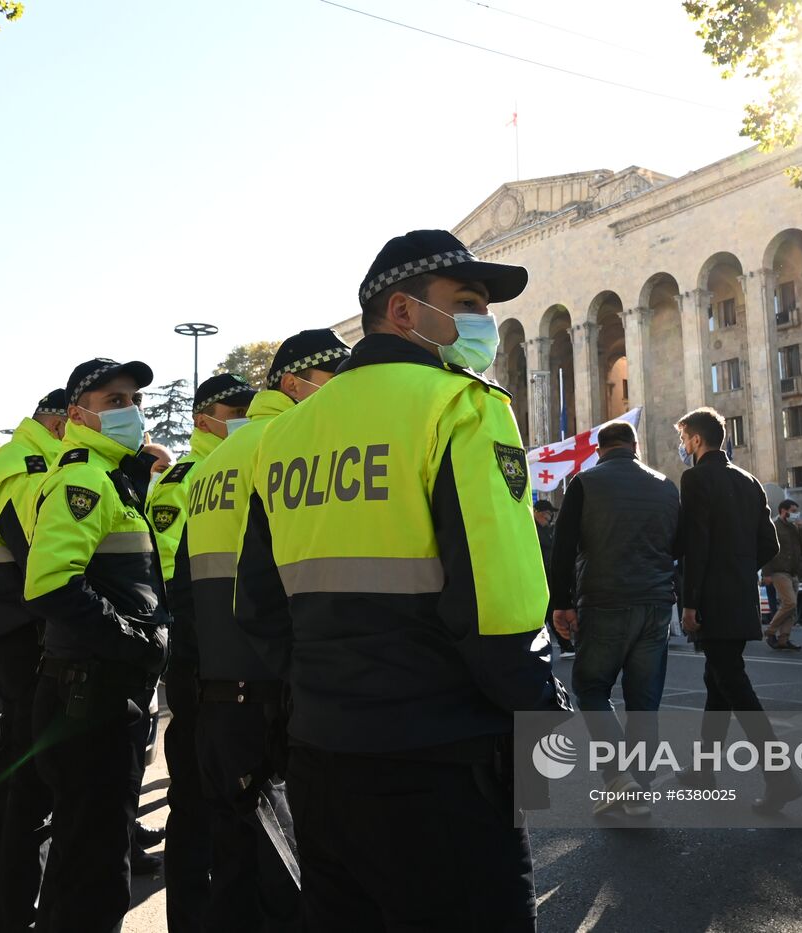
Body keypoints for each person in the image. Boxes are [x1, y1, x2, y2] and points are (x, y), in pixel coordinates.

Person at [238, 229, 568, 930]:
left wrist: (322, 697)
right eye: (469, 301)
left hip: (323, 764)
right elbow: (500, 608)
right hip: (441, 771)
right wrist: (546, 718)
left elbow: (259, 610)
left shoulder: (284, 437)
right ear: (403, 312)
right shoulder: (463, 406)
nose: (485, 320)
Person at [175, 328, 348, 931]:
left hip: (219, 702)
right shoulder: (293, 446)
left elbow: (184, 594)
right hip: (277, 705)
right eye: (335, 377)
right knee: (289, 890)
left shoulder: (209, 467)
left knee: (233, 876)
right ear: (294, 384)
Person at [24, 358, 168, 932]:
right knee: (97, 865)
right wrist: (134, 641)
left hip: (98, 690)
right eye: (115, 400)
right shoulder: (84, 478)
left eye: (134, 400)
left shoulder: (112, 478)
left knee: (81, 855)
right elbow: (51, 583)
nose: (131, 411)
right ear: (79, 412)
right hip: (93, 694)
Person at [145, 372, 256, 930]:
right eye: (234, 408)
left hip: (224, 661)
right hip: (198, 659)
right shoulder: (186, 478)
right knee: (196, 804)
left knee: (225, 811)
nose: (243, 415)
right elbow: (171, 577)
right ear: (203, 417)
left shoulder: (248, 460)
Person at [0, 389, 67, 932]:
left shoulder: (16, 459)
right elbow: (38, 557)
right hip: (22, 635)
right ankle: (6, 910)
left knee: (16, 775)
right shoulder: (26, 465)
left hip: (10, 631)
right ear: (56, 420)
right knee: (25, 781)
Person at [675, 407, 802, 812]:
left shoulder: (696, 478)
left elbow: (695, 544)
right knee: (719, 681)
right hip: (740, 596)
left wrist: (691, 601)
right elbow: (770, 545)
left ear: (696, 440)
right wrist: (739, 568)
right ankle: (703, 767)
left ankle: (780, 776)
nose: (683, 447)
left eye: (684, 439)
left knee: (734, 685)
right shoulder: (749, 481)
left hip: (711, 601)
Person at [550, 419, 679, 809]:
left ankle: (620, 778)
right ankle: (638, 790)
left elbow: (563, 546)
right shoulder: (665, 485)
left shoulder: (586, 482)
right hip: (656, 603)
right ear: (636, 446)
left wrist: (561, 602)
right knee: (645, 701)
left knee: (591, 688)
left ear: (599, 450)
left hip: (604, 599)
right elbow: (677, 545)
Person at [760, 498, 802, 651]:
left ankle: (783, 639)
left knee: (791, 609)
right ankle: (770, 631)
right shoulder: (774, 526)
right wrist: (766, 574)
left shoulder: (795, 528)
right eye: (793, 511)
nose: (796, 515)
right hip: (778, 571)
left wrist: (801, 529)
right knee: (790, 602)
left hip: (793, 572)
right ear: (783, 511)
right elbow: (766, 550)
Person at [533, 500, 573, 655]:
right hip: (538, 577)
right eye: (548, 514)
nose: (549, 517)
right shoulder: (532, 530)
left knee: (549, 611)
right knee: (548, 611)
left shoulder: (548, 530)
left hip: (548, 576)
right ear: (538, 513)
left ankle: (565, 645)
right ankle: (565, 645)